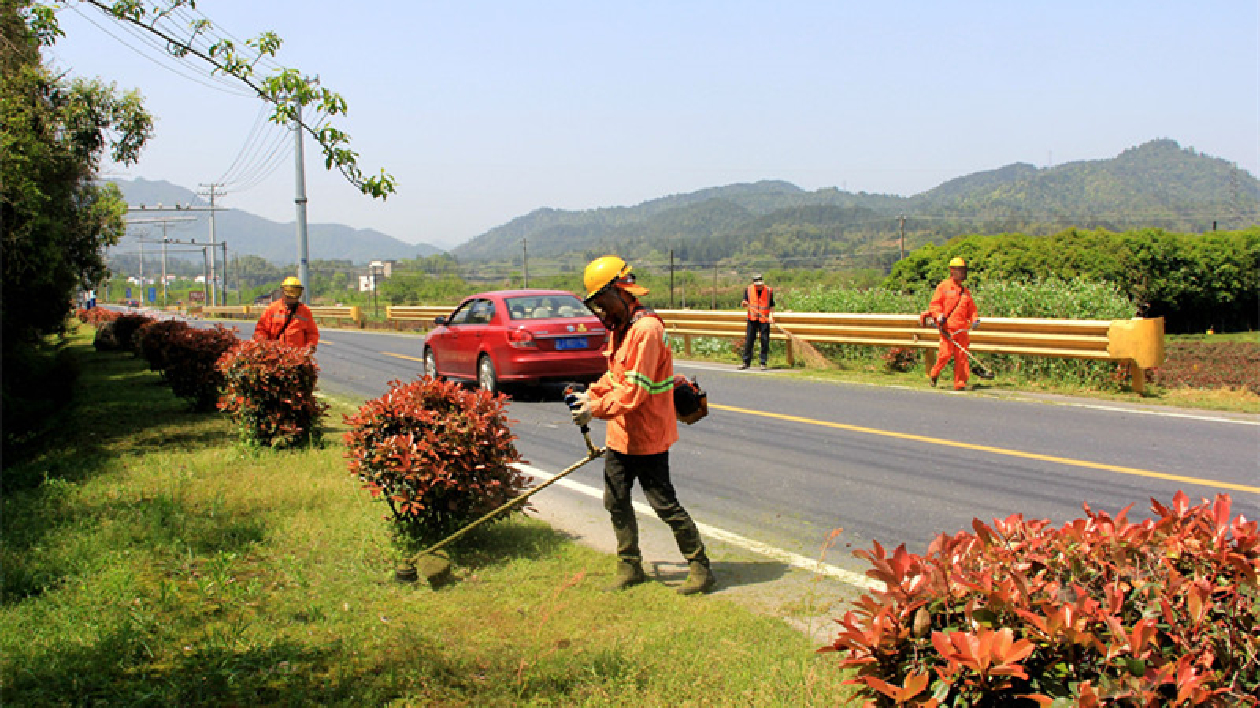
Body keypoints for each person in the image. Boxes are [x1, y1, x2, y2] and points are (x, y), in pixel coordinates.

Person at [569, 255, 716, 595]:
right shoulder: (622, 329)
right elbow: (615, 376)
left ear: (621, 292)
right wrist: (589, 395)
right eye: (597, 305)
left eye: (603, 302)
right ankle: (629, 564)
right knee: (616, 499)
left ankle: (700, 567)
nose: (601, 311)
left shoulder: (647, 331)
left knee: (664, 504)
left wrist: (595, 409)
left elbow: (635, 391)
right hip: (621, 435)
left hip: (648, 435)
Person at [921, 257, 980, 391]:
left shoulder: (966, 292)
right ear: (952, 271)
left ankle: (960, 383)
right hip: (947, 330)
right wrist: (938, 315)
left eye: (963, 270)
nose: (962, 273)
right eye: (959, 270)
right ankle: (934, 373)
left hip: (962, 330)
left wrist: (975, 320)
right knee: (945, 355)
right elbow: (934, 305)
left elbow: (972, 310)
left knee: (962, 358)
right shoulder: (943, 287)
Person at [253, 276, 319, 350]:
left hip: (296, 357)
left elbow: (312, 333)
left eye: (295, 294)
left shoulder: (305, 311)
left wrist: (310, 346)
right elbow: (261, 330)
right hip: (275, 355)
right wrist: (263, 346)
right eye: (290, 295)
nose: (292, 299)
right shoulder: (272, 309)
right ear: (283, 292)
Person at [738, 273, 775, 370]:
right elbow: (744, 302)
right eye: (757, 284)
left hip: (764, 319)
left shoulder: (768, 290)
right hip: (752, 318)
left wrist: (771, 316)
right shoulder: (749, 290)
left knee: (764, 340)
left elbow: (771, 305)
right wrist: (744, 303)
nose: (759, 286)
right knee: (749, 340)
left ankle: (763, 362)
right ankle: (746, 362)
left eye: (760, 284)